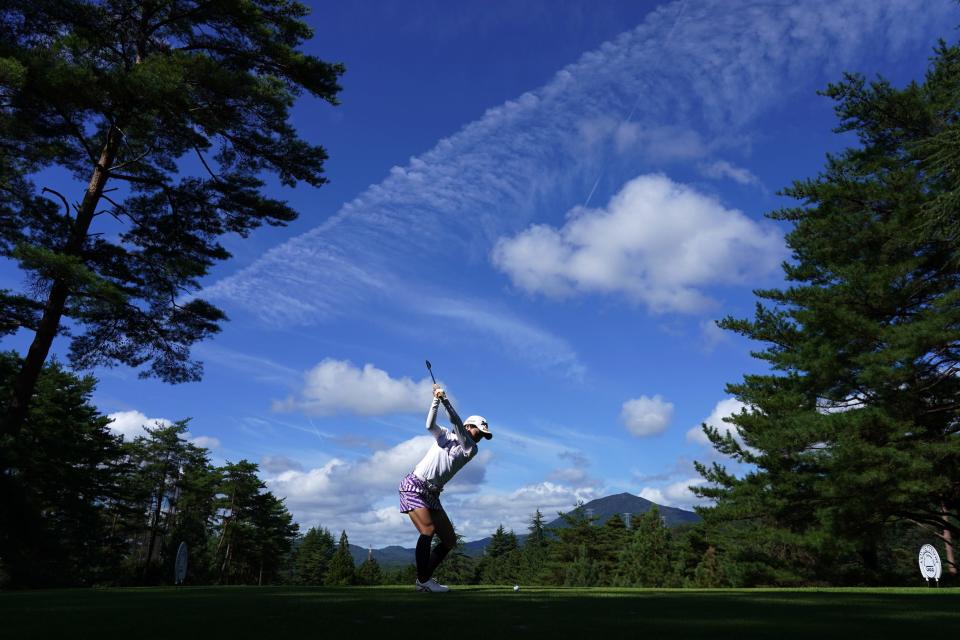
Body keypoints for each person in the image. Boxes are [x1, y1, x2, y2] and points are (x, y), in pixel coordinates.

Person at [398, 384, 492, 592]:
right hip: (414, 485)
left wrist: (446, 401)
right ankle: (424, 581)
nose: (480, 437)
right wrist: (435, 401)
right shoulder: (445, 435)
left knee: (449, 540)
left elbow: (456, 423)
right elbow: (429, 424)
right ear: (470, 427)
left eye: (484, 436)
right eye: (479, 432)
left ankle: (423, 579)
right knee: (428, 530)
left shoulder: (471, 448)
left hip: (432, 493)